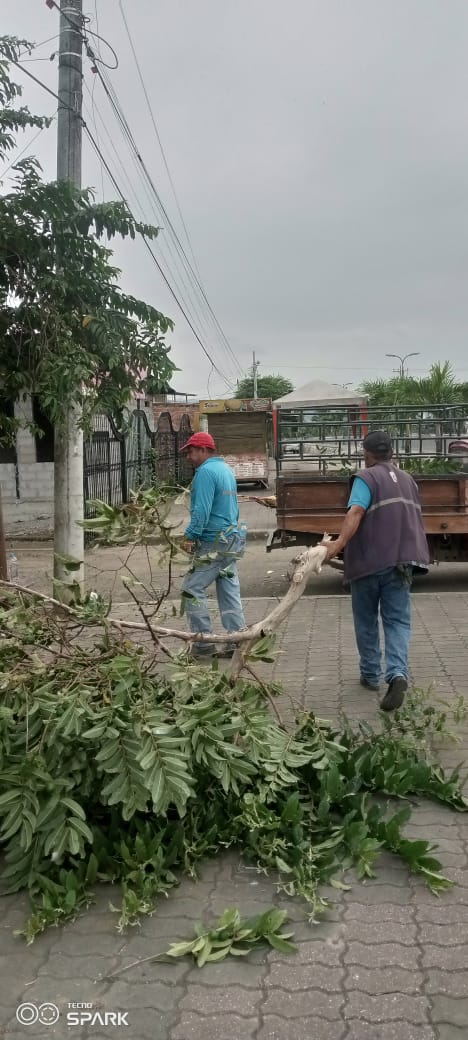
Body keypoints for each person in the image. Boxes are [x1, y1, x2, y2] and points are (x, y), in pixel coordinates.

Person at [324, 430, 430, 711]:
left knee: (366, 619)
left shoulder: (366, 478)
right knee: (397, 621)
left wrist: (338, 544)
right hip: (402, 562)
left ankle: (371, 674)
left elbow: (356, 512)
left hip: (369, 563)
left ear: (367, 453)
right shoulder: (408, 480)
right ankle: (397, 674)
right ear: (391, 451)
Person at [178, 431, 246, 659]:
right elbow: (233, 506)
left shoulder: (205, 472)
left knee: (191, 589)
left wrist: (190, 535)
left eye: (191, 452)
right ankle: (236, 640)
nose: (188, 457)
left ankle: (203, 643)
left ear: (203, 450)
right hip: (232, 537)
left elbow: (202, 510)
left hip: (214, 540)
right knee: (228, 589)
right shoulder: (225, 469)